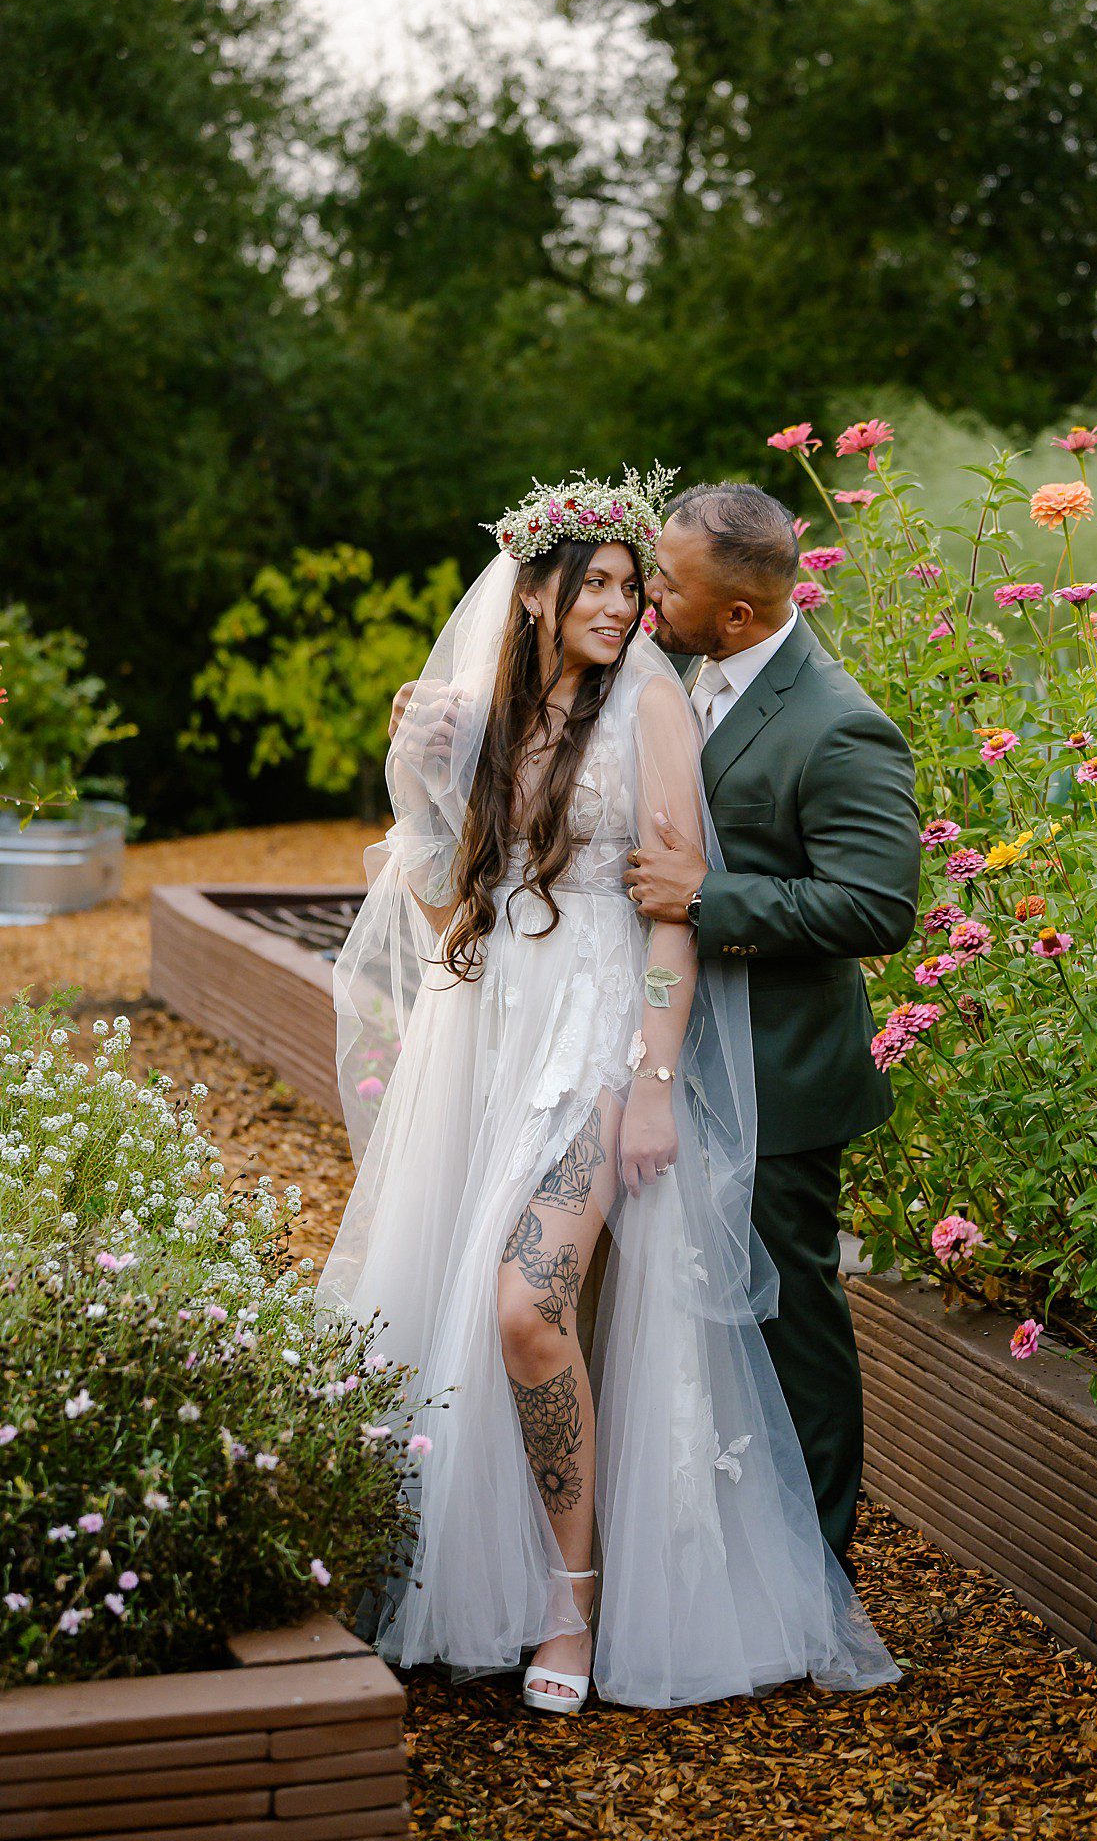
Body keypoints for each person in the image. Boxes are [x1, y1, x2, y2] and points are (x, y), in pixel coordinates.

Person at [318, 466, 902, 1717]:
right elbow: (441, 893)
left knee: (550, 1303)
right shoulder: (511, 706)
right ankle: (484, 1577)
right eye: (602, 580)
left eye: (642, 583)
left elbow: (697, 908)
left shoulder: (676, 705)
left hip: (605, 1039)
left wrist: (646, 1080)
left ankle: (604, 1595)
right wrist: (412, 772)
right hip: (492, 1032)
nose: (630, 603)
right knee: (480, 1308)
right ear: (530, 591)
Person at [625, 481, 921, 1579]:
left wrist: (709, 897)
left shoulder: (838, 725)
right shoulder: (682, 671)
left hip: (782, 1078)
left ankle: (817, 1564)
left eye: (669, 581)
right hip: (687, 1059)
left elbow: (875, 908)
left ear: (737, 615)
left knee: (790, 1310)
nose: (652, 594)